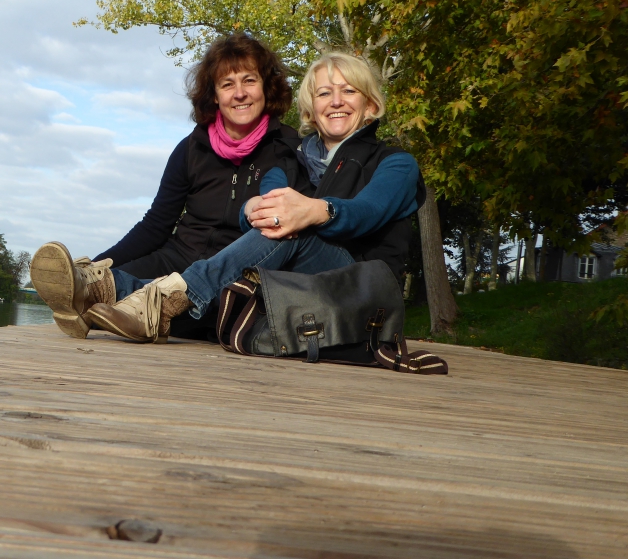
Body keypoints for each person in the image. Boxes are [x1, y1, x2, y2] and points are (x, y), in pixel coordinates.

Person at [87, 51, 426, 343]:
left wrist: (314, 211)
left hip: (361, 289)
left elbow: (368, 211)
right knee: (253, 261)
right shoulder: (288, 162)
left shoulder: (396, 163)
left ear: (370, 105)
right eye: (324, 93)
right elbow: (264, 203)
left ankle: (125, 291)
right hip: (298, 291)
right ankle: (101, 290)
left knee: (286, 227)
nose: (336, 101)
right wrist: (250, 209)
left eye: (349, 91)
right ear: (311, 110)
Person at [29, 33, 302, 338]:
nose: (239, 93)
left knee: (209, 301)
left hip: (232, 271)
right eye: (227, 84)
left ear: (266, 86)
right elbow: (155, 225)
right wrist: (98, 266)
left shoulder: (290, 149)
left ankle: (115, 305)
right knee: (109, 280)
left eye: (249, 81)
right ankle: (88, 286)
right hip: (176, 257)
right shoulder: (191, 148)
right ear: (214, 95)